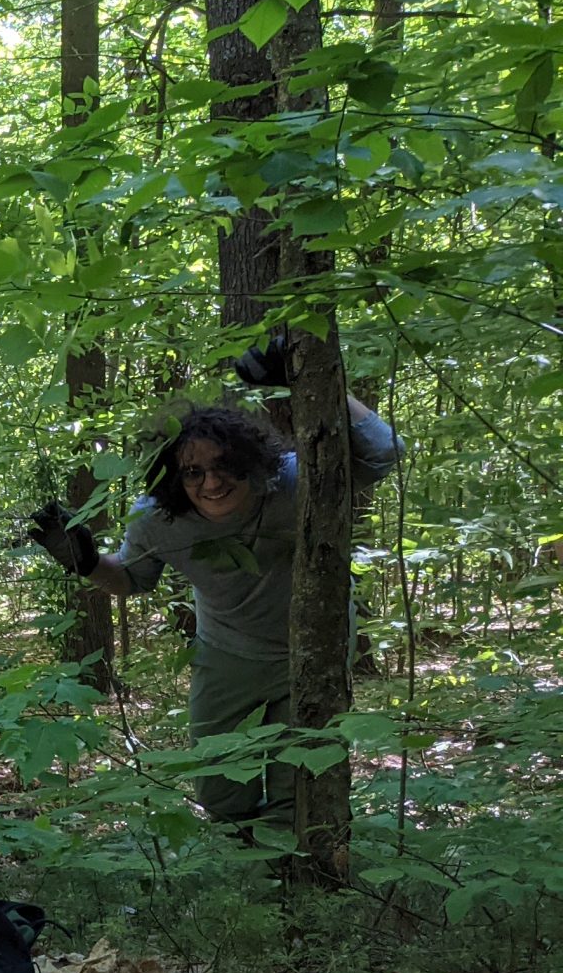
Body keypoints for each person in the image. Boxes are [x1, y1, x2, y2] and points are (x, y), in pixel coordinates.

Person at [27, 336, 401, 825]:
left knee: (302, 787)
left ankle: (298, 883)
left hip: (316, 647)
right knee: (220, 785)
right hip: (227, 652)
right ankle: (238, 877)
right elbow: (132, 579)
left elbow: (384, 453)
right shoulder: (159, 520)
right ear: (173, 477)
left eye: (224, 465)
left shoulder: (291, 483)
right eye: (193, 471)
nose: (211, 482)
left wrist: (311, 384)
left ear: (249, 458)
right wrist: (86, 562)